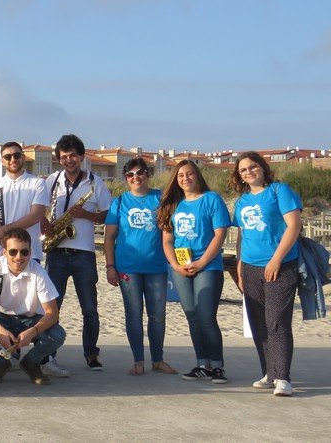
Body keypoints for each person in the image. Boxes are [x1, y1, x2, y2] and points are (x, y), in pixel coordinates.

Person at [230, 152, 302, 397]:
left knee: (276, 321)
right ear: (239, 176)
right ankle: (269, 373)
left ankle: (283, 378)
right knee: (258, 324)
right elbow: (242, 236)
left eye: (253, 167)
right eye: (243, 170)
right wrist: (239, 267)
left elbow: (294, 225)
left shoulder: (279, 191)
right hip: (249, 267)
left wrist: (276, 260)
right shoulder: (241, 202)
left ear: (262, 167)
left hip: (280, 266)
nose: (249, 172)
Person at [39, 134, 111, 373]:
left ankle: (91, 354)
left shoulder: (95, 182)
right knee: (53, 306)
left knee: (89, 307)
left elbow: (106, 215)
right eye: (63, 157)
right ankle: (49, 355)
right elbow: (38, 206)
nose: (68, 160)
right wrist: (44, 223)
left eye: (72, 156)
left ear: (81, 157)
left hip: (84, 254)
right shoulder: (52, 180)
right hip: (56, 252)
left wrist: (85, 215)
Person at [158, 159, 232, 384]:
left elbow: (220, 235)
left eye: (189, 174)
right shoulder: (174, 204)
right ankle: (203, 364)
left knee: (206, 317)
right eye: (181, 176)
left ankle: (217, 366)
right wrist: (175, 265)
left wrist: (201, 263)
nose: (185, 178)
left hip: (207, 266)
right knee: (192, 317)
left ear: (197, 175)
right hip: (181, 267)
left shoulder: (211, 199)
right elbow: (167, 240)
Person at [103, 158, 177, 376]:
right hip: (128, 269)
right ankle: (138, 360)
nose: (135, 178)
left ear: (148, 174)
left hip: (156, 268)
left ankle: (158, 359)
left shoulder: (160, 197)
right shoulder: (119, 202)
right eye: (130, 175)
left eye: (140, 173)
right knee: (134, 315)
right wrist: (110, 266)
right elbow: (109, 238)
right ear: (126, 178)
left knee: (157, 315)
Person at [0, 228, 66, 386]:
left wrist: (32, 332)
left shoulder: (39, 272)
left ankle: (31, 362)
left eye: (24, 252)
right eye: (13, 252)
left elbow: (52, 314)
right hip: (1, 316)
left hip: (30, 319)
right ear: (4, 252)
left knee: (58, 334)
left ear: (30, 252)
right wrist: (0, 331)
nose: (18, 257)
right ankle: (0, 362)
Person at [0, 142, 49, 262]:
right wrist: (6, 243)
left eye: (16, 155)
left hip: (30, 253)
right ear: (2, 161)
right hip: (1, 252)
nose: (13, 159)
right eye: (8, 157)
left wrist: (3, 230)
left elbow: (35, 216)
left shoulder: (38, 183)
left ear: (23, 157)